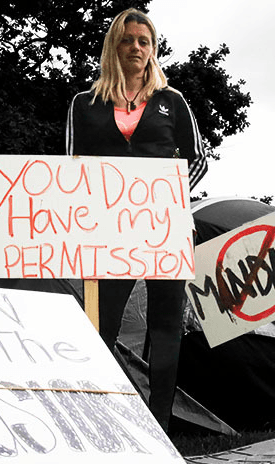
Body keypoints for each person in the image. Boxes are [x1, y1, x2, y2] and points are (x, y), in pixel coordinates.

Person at [65, 8, 209, 432]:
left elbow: (197, 158)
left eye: (144, 41)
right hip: (109, 233)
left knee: (166, 328)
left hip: (165, 228)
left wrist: (171, 199)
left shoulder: (172, 101)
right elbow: (74, 168)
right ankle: (101, 422)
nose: (136, 47)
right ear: (115, 46)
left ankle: (161, 427)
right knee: (101, 324)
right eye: (128, 40)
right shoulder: (83, 104)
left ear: (153, 49)